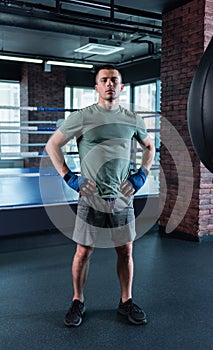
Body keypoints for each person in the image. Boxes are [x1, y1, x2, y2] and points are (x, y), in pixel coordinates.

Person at [45, 64, 155, 327]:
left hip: (121, 198)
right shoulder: (83, 116)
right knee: (83, 252)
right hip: (91, 197)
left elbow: (150, 146)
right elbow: (52, 144)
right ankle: (77, 301)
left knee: (125, 251)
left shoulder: (132, 119)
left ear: (121, 87)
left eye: (114, 80)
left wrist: (141, 174)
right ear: (96, 87)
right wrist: (69, 177)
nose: (109, 84)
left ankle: (126, 301)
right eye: (104, 80)